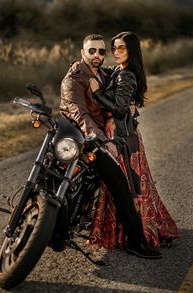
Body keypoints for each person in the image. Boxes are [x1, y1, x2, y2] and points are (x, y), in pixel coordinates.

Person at [60, 34, 162, 259]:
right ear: (82, 52)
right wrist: (99, 137)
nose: (98, 55)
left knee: (120, 186)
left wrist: (131, 108)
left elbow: (121, 100)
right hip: (85, 138)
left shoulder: (107, 73)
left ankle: (136, 241)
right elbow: (80, 114)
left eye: (102, 51)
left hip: (103, 139)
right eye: (92, 51)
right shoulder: (74, 79)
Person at [89, 31, 179, 250]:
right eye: (114, 49)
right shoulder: (119, 71)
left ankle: (135, 234)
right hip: (117, 132)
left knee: (126, 184)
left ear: (132, 50)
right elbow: (104, 72)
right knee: (122, 183)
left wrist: (97, 92)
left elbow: (120, 110)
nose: (116, 52)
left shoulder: (127, 75)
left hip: (120, 135)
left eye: (122, 48)